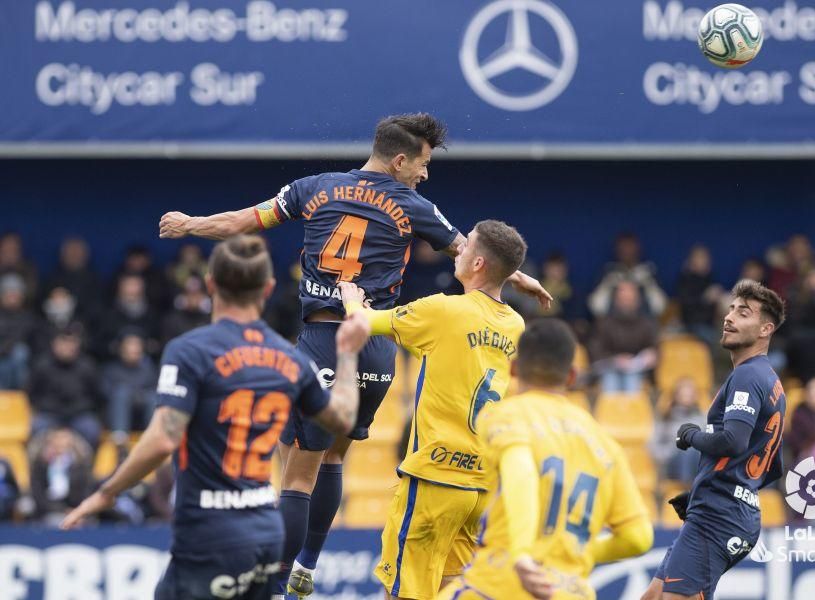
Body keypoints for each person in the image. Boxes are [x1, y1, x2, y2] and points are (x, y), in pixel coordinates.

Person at [158, 113, 552, 595]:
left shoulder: (313, 188)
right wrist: (519, 277)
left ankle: (278, 584)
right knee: (333, 460)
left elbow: (241, 222)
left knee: (296, 473)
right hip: (379, 353)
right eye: (423, 165)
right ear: (401, 159)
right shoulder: (414, 205)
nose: (424, 175)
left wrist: (188, 224)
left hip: (327, 338)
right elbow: (473, 253)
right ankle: (307, 562)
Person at [61, 235, 370, 600]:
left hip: (209, 535)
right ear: (268, 289)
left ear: (210, 284)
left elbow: (162, 439)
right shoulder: (291, 359)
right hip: (266, 534)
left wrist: (106, 493)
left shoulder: (189, 351)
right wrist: (348, 352)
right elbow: (343, 419)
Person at [339, 220, 527, 600]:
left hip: (434, 478)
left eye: (466, 244)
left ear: (478, 264)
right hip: (479, 485)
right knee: (451, 592)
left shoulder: (444, 310)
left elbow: (361, 323)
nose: (457, 248)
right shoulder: (516, 325)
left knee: (403, 593)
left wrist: (349, 295)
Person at [437, 319, 654, 600]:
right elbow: (639, 538)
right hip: (571, 591)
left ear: (514, 368)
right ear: (572, 376)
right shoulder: (604, 441)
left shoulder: (504, 414)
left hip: (502, 583)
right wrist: (581, 551)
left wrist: (523, 554)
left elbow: (521, 470)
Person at [641, 280, 787, 600]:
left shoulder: (748, 375)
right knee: (653, 596)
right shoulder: (770, 381)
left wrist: (693, 435)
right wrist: (706, 488)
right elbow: (772, 465)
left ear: (765, 329)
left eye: (743, 313)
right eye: (731, 308)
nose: (730, 316)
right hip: (725, 510)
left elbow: (733, 441)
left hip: (718, 517)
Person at [28, 324, 103, 449]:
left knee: (91, 429)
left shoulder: (88, 366)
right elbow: (32, 393)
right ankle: (40, 466)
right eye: (63, 342)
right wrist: (45, 406)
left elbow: (97, 395)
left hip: (79, 414)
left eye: (71, 342)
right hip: (50, 414)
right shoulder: (42, 366)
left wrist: (83, 407)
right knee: (38, 427)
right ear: (54, 344)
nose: (67, 346)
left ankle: (85, 466)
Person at [589, 280, 658, 393]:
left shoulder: (647, 325)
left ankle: (632, 410)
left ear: (638, 301)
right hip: (608, 368)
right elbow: (595, 350)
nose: (627, 303)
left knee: (631, 378)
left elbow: (654, 348)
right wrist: (615, 359)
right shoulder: (603, 324)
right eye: (623, 299)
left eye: (630, 299)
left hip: (637, 371)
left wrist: (650, 355)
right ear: (616, 301)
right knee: (610, 379)